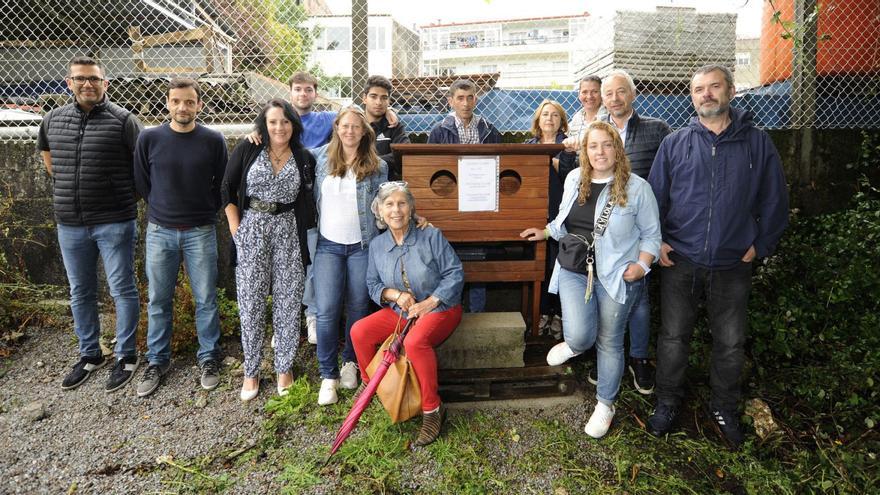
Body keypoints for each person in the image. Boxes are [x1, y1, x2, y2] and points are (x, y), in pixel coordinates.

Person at [646, 64, 789, 448]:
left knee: (729, 342)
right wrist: (656, 241)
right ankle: (667, 401)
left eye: (713, 87)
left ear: (730, 91)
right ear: (691, 97)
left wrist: (762, 244)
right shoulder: (675, 143)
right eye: (698, 89)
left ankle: (724, 406)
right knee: (674, 337)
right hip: (681, 259)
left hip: (732, 263)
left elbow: (775, 200)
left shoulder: (757, 143)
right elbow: (654, 198)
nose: (706, 94)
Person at [520, 121, 661, 439]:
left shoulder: (637, 188)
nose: (600, 151)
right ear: (584, 151)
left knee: (610, 341)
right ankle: (574, 345)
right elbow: (561, 222)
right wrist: (543, 232)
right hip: (573, 269)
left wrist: (641, 266)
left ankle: (605, 405)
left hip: (615, 275)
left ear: (617, 149)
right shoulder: (573, 179)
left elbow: (652, 236)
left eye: (606, 144)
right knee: (581, 336)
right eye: (593, 145)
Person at [38, 56, 143, 393]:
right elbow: (50, 161)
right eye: (80, 78)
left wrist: (120, 195)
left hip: (114, 221)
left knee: (121, 289)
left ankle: (126, 355)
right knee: (80, 291)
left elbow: (142, 167)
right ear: (69, 82)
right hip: (70, 223)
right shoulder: (52, 120)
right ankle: (90, 354)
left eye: (94, 79)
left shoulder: (124, 121)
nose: (87, 84)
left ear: (105, 84)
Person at [351, 181, 464, 448]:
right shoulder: (377, 246)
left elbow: (455, 273)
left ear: (411, 208)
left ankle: (432, 410)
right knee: (359, 332)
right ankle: (376, 388)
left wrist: (430, 302)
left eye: (402, 203)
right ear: (379, 210)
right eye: (389, 204)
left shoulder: (430, 236)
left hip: (441, 307)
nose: (396, 210)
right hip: (402, 311)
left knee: (414, 342)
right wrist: (396, 295)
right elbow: (372, 285)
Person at [133, 78, 227, 397]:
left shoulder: (213, 141)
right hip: (160, 231)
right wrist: (163, 208)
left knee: (206, 299)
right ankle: (157, 361)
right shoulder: (150, 138)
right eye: (176, 101)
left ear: (199, 105)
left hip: (200, 230)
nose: (182, 107)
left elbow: (222, 184)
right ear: (168, 103)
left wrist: (204, 210)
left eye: (189, 102)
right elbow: (142, 182)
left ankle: (209, 357)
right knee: (159, 300)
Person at [222, 98, 317, 401]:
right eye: (273, 121)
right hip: (252, 230)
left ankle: (284, 366)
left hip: (289, 231)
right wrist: (238, 233)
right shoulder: (248, 148)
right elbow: (227, 190)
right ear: (264, 123)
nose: (279, 127)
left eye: (285, 121)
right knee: (250, 302)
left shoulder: (303, 157)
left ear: (294, 125)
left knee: (288, 301)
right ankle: (251, 370)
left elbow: (309, 197)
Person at [311, 106, 388, 406]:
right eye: (345, 125)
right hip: (327, 246)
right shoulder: (319, 159)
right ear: (337, 127)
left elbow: (386, 204)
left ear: (365, 131)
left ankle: (349, 363)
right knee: (327, 310)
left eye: (356, 126)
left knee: (357, 307)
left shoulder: (378, 166)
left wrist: (414, 218)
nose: (350, 131)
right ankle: (327, 375)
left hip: (362, 246)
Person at [427, 78, 501, 313]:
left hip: (481, 200)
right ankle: (451, 310)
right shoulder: (439, 131)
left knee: (478, 254)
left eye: (470, 97)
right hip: (450, 202)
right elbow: (430, 169)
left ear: (476, 99)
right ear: (450, 101)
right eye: (460, 98)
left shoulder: (489, 130)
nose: (466, 103)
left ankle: (477, 311)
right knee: (451, 257)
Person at [524, 100, 577, 337]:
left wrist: (554, 161)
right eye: (545, 114)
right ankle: (542, 312)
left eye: (555, 115)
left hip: (560, 216)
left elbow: (569, 176)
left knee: (559, 263)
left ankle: (558, 313)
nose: (549, 118)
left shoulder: (567, 146)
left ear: (561, 121)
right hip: (533, 213)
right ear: (538, 119)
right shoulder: (528, 145)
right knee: (539, 266)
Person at [361, 75, 411, 181]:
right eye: (373, 96)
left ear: (389, 101)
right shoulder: (354, 125)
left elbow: (404, 154)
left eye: (384, 98)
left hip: (387, 186)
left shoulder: (394, 126)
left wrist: (370, 162)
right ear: (364, 98)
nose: (378, 102)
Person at [565, 75, 603, 146]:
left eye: (594, 91)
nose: (589, 96)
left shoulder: (610, 117)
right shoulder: (576, 119)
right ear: (579, 95)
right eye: (584, 92)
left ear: (602, 94)